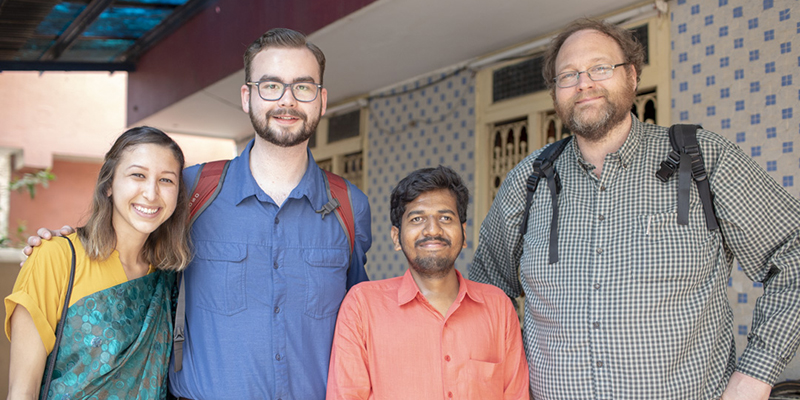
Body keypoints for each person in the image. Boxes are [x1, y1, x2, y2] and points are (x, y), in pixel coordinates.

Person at [23, 28, 371, 400]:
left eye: (302, 87)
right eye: (270, 86)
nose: (287, 100)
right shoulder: (192, 191)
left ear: (321, 99)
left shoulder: (350, 206)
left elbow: (360, 321)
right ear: (246, 96)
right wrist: (60, 249)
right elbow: (125, 253)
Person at [470, 18, 800, 400]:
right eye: (568, 75)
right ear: (555, 93)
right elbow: (486, 296)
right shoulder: (526, 181)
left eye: (600, 67)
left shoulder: (702, 159)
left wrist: (755, 374)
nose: (584, 83)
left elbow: (794, 251)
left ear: (632, 76)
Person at [6, 127, 191, 399]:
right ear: (108, 184)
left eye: (166, 180)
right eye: (138, 175)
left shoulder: (167, 276)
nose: (151, 193)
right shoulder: (55, 258)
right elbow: (22, 391)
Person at [326, 166, 529, 400]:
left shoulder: (498, 307)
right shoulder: (362, 306)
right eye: (417, 218)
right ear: (396, 237)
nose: (432, 230)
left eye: (445, 218)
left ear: (463, 234)